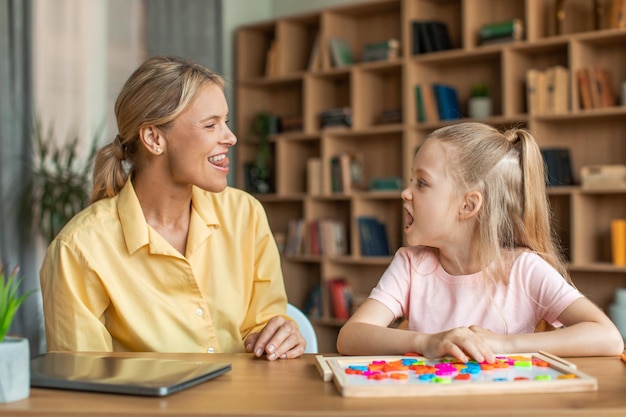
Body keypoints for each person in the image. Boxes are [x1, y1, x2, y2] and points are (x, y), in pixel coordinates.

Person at [40, 56, 305, 360]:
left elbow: (263, 327)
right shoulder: (78, 250)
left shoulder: (246, 214)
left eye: (226, 122)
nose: (230, 138)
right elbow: (83, 381)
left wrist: (279, 338)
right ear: (154, 138)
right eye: (211, 125)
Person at [336, 122, 624, 362]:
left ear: (467, 206)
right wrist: (428, 342)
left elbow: (608, 338)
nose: (405, 193)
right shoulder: (410, 265)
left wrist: (504, 345)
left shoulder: (525, 269)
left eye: (421, 183)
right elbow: (350, 337)